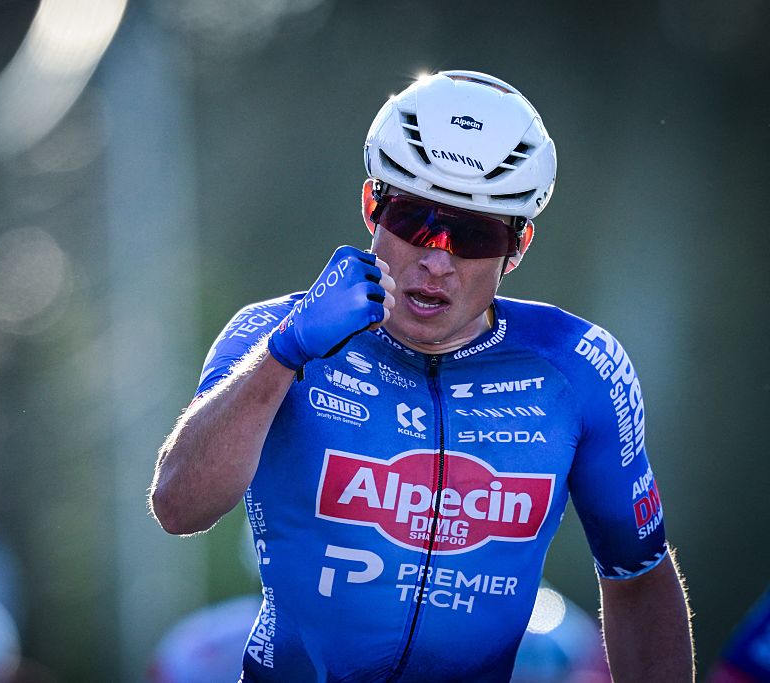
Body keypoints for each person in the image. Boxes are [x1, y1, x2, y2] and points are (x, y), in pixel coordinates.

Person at [150, 70, 694, 681]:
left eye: (474, 233)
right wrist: (284, 355)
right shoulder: (272, 333)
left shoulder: (576, 366)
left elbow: (638, 575)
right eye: (415, 220)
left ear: (518, 246)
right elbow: (179, 507)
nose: (437, 260)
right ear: (370, 206)